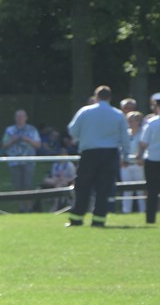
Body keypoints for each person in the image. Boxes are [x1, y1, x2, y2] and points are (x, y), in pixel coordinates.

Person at [65, 85, 131, 228]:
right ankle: (99, 219)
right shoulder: (118, 114)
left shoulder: (85, 111)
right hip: (110, 153)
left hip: (89, 153)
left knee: (83, 186)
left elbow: (73, 131)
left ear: (96, 97)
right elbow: (125, 138)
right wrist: (126, 156)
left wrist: (84, 137)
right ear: (110, 97)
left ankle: (77, 218)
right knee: (104, 188)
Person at [1, 110, 42, 212]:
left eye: (22, 117)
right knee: (18, 185)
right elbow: (4, 145)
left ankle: (29, 207)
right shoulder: (9, 130)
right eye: (18, 117)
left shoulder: (32, 130)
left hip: (28, 162)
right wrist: (12, 140)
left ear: (26, 118)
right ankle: (21, 208)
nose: (20, 119)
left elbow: (38, 144)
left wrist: (28, 139)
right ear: (15, 118)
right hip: (14, 162)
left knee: (27, 184)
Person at [136, 94, 160, 224]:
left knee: (152, 191)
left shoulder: (151, 123)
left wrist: (139, 155)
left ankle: (150, 219)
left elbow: (144, 143)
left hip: (152, 159)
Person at [120, 110, 145, 213]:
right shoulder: (125, 133)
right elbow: (120, 148)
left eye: (133, 120)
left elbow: (145, 147)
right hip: (126, 165)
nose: (130, 122)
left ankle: (143, 211)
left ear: (139, 121)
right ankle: (126, 211)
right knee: (126, 190)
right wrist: (121, 160)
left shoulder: (143, 133)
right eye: (129, 120)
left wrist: (142, 158)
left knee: (141, 190)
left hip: (139, 164)